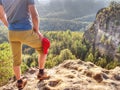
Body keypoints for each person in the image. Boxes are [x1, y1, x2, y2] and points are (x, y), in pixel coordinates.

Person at [0, 0, 50, 89]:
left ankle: (19, 82)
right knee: (44, 46)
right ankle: (41, 73)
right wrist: (37, 31)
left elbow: (1, 16)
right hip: (26, 31)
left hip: (12, 33)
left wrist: (10, 27)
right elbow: (34, 16)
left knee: (16, 59)